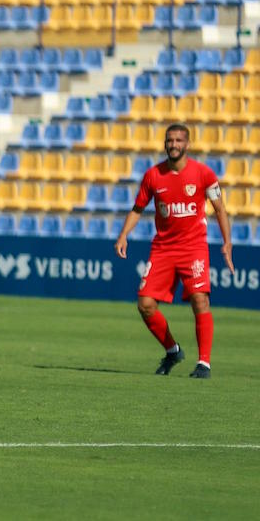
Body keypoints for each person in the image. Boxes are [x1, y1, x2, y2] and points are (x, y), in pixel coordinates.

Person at [115, 123, 234, 379]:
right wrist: (124, 234)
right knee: (145, 304)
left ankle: (204, 363)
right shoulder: (153, 175)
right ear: (165, 143)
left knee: (200, 299)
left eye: (179, 140)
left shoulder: (204, 174)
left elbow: (220, 208)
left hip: (194, 247)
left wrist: (227, 242)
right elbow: (137, 209)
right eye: (170, 140)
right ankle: (173, 350)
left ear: (187, 144)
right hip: (163, 248)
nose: (174, 145)